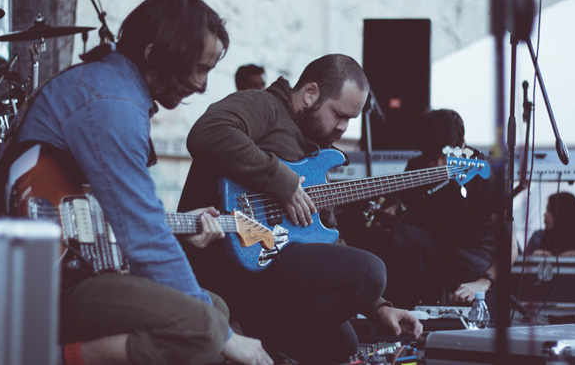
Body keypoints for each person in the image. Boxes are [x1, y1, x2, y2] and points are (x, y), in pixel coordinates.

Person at [0, 0, 271, 365]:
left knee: (214, 309)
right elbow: (141, 232)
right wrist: (220, 335)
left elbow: (113, 217)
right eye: (200, 67)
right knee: (205, 331)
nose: (203, 85)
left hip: (75, 268)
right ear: (155, 54)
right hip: (47, 285)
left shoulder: (114, 89)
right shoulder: (115, 106)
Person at [178, 54, 423, 364]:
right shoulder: (263, 106)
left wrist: (379, 307)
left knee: (343, 344)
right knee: (372, 271)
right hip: (227, 259)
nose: (344, 127)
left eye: (350, 119)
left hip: (275, 268)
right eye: (339, 114)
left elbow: (326, 235)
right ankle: (248, 332)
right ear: (311, 94)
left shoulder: (319, 147)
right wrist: (283, 181)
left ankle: (259, 336)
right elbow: (208, 132)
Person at [372, 109, 518, 322]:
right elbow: (406, 214)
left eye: (445, 156)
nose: (440, 166)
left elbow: (510, 246)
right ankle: (405, 315)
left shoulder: (485, 174)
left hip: (476, 256)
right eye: (432, 158)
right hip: (435, 249)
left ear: (463, 144)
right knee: (399, 237)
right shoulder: (417, 166)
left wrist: (483, 282)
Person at [526, 192, 575, 257]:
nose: (545, 214)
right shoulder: (537, 238)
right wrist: (532, 257)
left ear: (564, 214)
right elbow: (520, 266)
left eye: (550, 210)